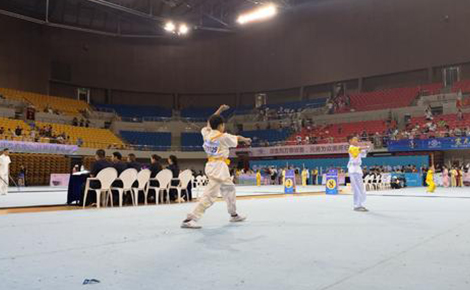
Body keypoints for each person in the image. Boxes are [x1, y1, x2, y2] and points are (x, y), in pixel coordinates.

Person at [181, 104, 252, 229]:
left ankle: (234, 215)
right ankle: (189, 219)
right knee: (210, 195)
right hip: (218, 167)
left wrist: (219, 110)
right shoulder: (222, 137)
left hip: (214, 165)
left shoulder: (206, 133)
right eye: (223, 125)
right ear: (220, 126)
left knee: (229, 189)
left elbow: (210, 121)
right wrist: (246, 139)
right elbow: (238, 138)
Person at [348, 137, 370, 212]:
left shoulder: (358, 148)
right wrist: (365, 147)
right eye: (354, 140)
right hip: (352, 168)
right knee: (355, 188)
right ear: (350, 141)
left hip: (358, 169)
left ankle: (360, 204)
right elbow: (358, 150)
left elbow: (364, 154)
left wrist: (367, 149)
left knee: (360, 187)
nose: (356, 141)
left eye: (357, 140)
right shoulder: (351, 148)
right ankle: (356, 205)